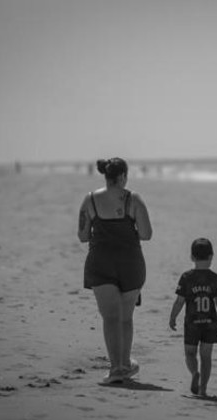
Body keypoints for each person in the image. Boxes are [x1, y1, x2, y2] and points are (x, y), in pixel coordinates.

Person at [78, 157, 153, 383]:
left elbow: (82, 236)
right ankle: (125, 363)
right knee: (126, 318)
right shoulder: (133, 199)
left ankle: (116, 368)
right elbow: (147, 234)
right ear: (122, 177)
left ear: (106, 177)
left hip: (100, 262)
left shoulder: (90, 200)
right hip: (130, 263)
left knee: (110, 318)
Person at [169, 238, 217, 396]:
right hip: (210, 324)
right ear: (211, 257)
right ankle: (203, 389)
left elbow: (179, 301)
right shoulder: (215, 278)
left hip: (192, 324)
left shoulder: (186, 277)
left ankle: (194, 373)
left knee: (190, 353)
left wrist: (172, 317)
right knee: (206, 357)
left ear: (192, 257)